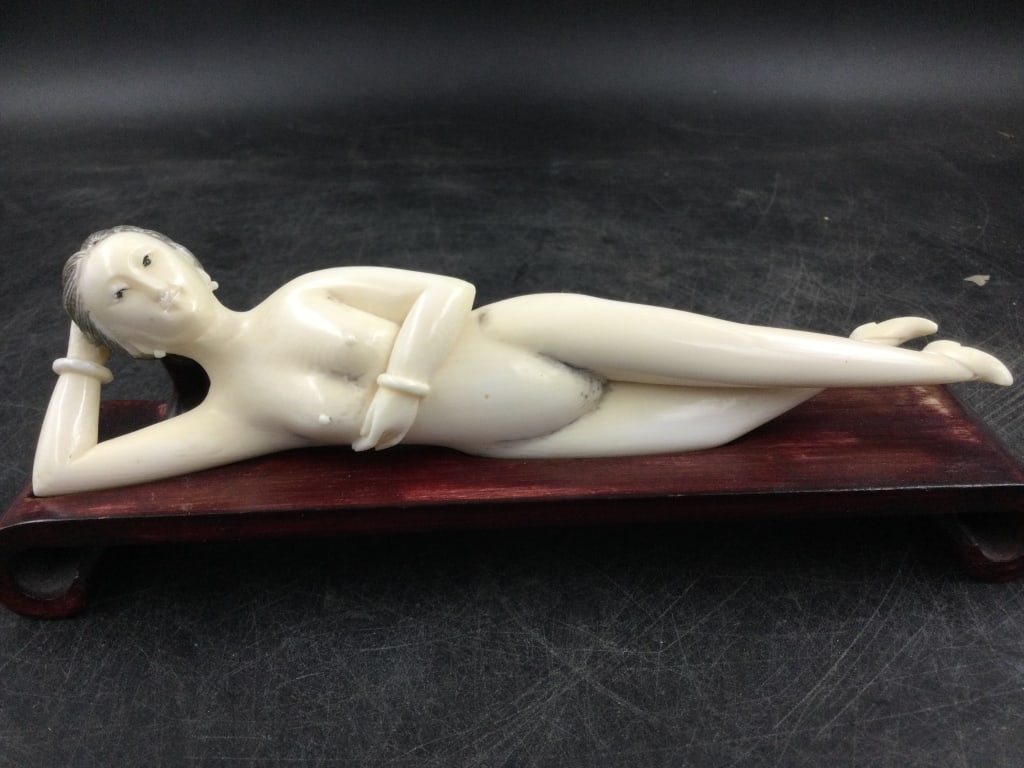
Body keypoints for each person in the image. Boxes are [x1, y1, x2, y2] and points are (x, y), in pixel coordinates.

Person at [33, 225, 1012, 496]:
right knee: (726, 421)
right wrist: (84, 355)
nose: (153, 288)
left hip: (533, 333)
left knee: (735, 353)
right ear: (133, 337)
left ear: (193, 262)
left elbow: (445, 292)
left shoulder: (306, 294)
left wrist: (401, 387)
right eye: (122, 298)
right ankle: (860, 355)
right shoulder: (235, 417)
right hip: (529, 437)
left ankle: (936, 368)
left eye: (150, 261)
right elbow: (63, 476)